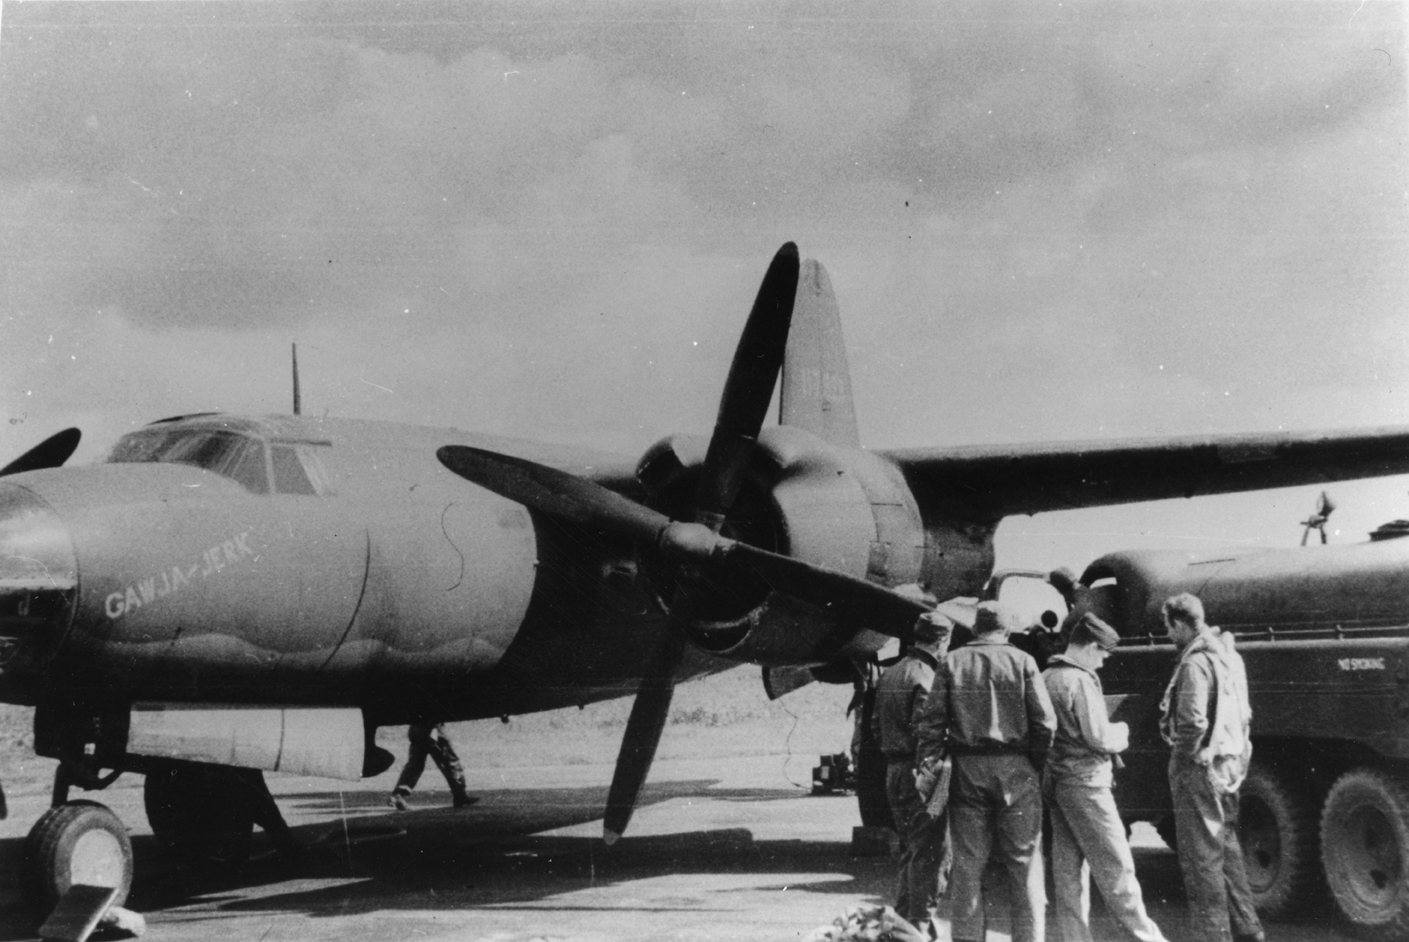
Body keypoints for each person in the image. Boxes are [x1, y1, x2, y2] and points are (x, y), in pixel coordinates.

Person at [915, 601, 1056, 942]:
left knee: (967, 867)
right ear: (1006, 629)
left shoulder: (951, 661)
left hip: (966, 770)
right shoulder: (1023, 662)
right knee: (1025, 866)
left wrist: (931, 767)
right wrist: (1032, 763)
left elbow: (931, 724)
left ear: (975, 629)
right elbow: (1045, 725)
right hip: (1017, 768)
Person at [1043, 612, 1167, 942]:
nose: (1101, 664)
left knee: (1068, 873)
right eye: (1102, 655)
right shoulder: (1080, 680)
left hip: (1057, 783)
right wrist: (1123, 731)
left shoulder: (1046, 676)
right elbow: (1099, 737)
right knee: (1117, 868)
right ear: (1091, 646)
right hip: (1087, 785)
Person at [1159, 593, 1264, 942]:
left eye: (1168, 627)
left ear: (1179, 624)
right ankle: (1249, 929)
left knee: (1201, 860)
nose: (1168, 635)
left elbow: (1192, 722)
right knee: (1228, 851)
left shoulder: (1194, 663)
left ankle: (1213, 936)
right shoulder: (1227, 655)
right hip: (1230, 766)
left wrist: (1181, 760)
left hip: (1201, 769)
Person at [872, 610, 954, 934]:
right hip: (919, 773)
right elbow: (927, 734)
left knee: (911, 849)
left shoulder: (891, 673)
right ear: (941, 640)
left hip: (894, 771)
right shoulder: (926, 677)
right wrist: (930, 779)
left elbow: (876, 727)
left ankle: (903, 925)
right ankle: (916, 928)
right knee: (933, 854)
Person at [389, 721, 477, 810]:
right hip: (432, 729)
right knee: (450, 762)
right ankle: (460, 794)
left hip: (416, 729)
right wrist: (434, 728)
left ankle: (398, 794)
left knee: (415, 765)